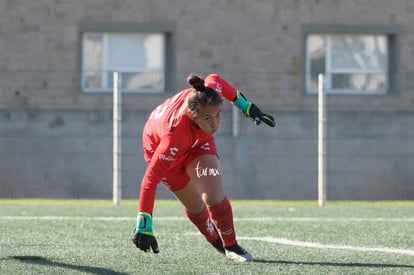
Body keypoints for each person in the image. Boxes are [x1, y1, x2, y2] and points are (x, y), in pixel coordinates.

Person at [132, 73, 275, 262]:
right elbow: (150, 181)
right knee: (196, 207)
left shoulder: (210, 91)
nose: (215, 124)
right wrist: (144, 225)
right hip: (161, 150)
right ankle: (215, 240)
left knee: (213, 196)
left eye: (218, 115)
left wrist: (247, 107)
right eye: (208, 118)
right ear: (193, 115)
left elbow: (216, 78)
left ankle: (231, 245)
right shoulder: (172, 138)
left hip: (198, 143)